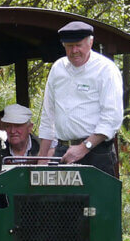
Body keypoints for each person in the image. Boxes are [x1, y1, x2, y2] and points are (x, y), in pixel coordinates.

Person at [37, 21, 123, 177]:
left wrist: (83, 148)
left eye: (78, 45)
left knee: (97, 201)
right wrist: (42, 158)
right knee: (56, 201)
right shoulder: (58, 68)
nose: (74, 51)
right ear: (63, 46)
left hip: (97, 153)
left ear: (90, 42)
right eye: (69, 46)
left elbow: (111, 118)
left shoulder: (105, 69)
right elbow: (48, 114)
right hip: (63, 151)